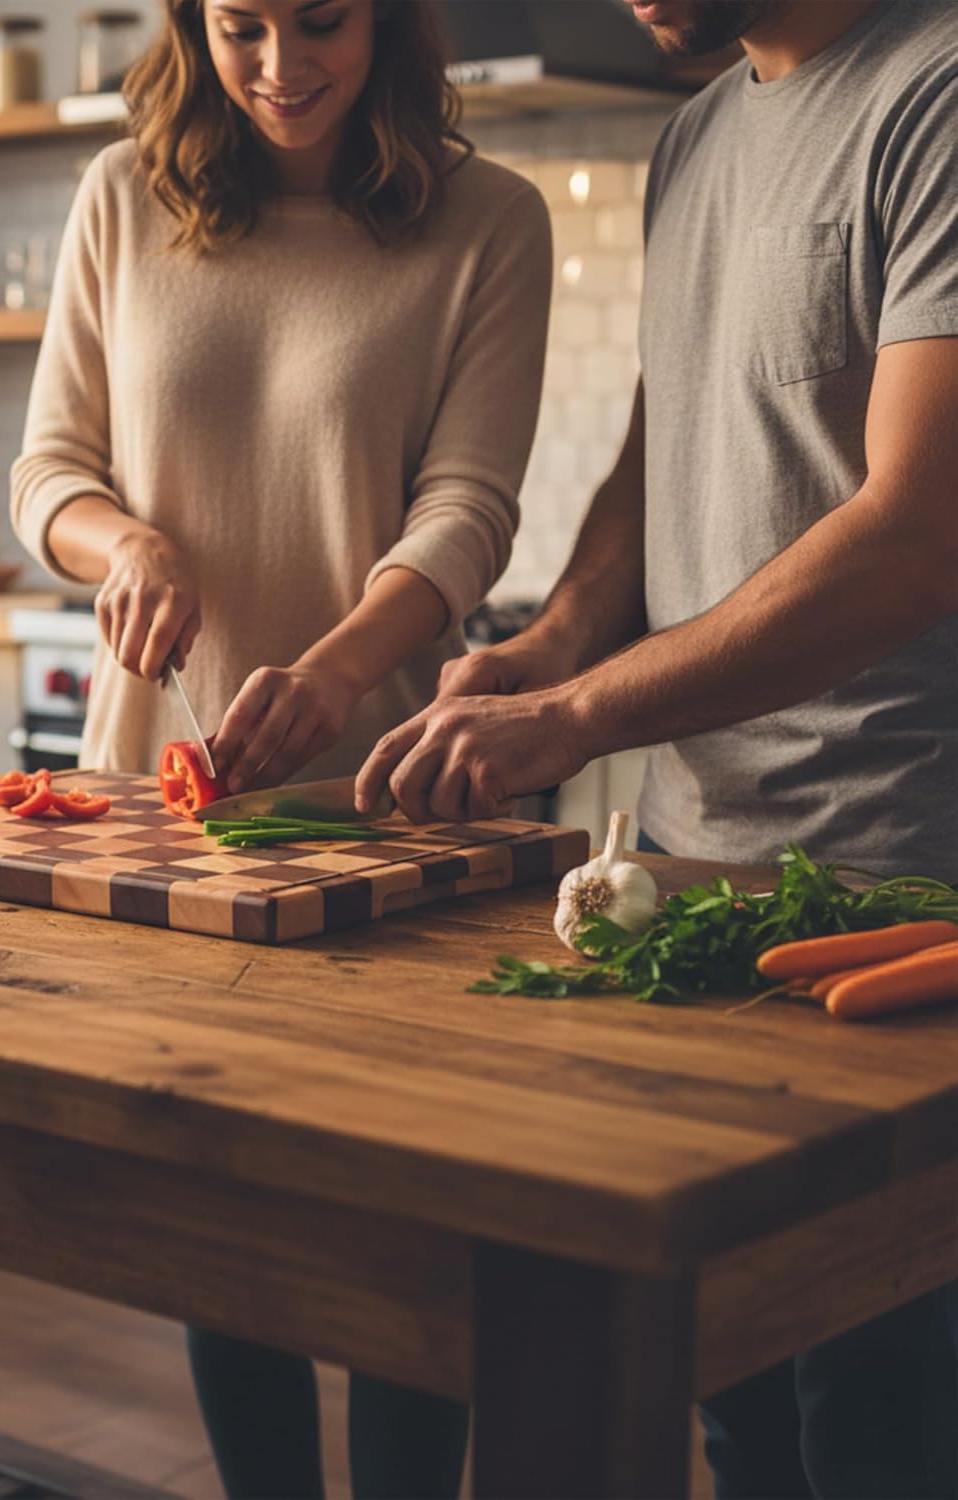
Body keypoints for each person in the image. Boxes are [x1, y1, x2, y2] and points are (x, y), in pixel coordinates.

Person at [357, 2, 958, 1495]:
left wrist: (575, 714)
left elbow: (920, 530)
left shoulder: (939, 91)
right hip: (702, 884)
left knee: (880, 1424)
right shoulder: (693, 135)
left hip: (905, 890)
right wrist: (556, 643)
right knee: (736, 1407)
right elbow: (659, 441)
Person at [10, 3, 550, 1492]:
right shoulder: (126, 195)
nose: (280, 66)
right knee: (218, 1220)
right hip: (159, 805)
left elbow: (469, 507)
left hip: (387, 801)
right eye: (239, 24)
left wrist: (339, 667)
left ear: (390, 21)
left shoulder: (486, 220)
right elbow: (47, 468)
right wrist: (125, 541)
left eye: (321, 23)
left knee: (398, 1242)